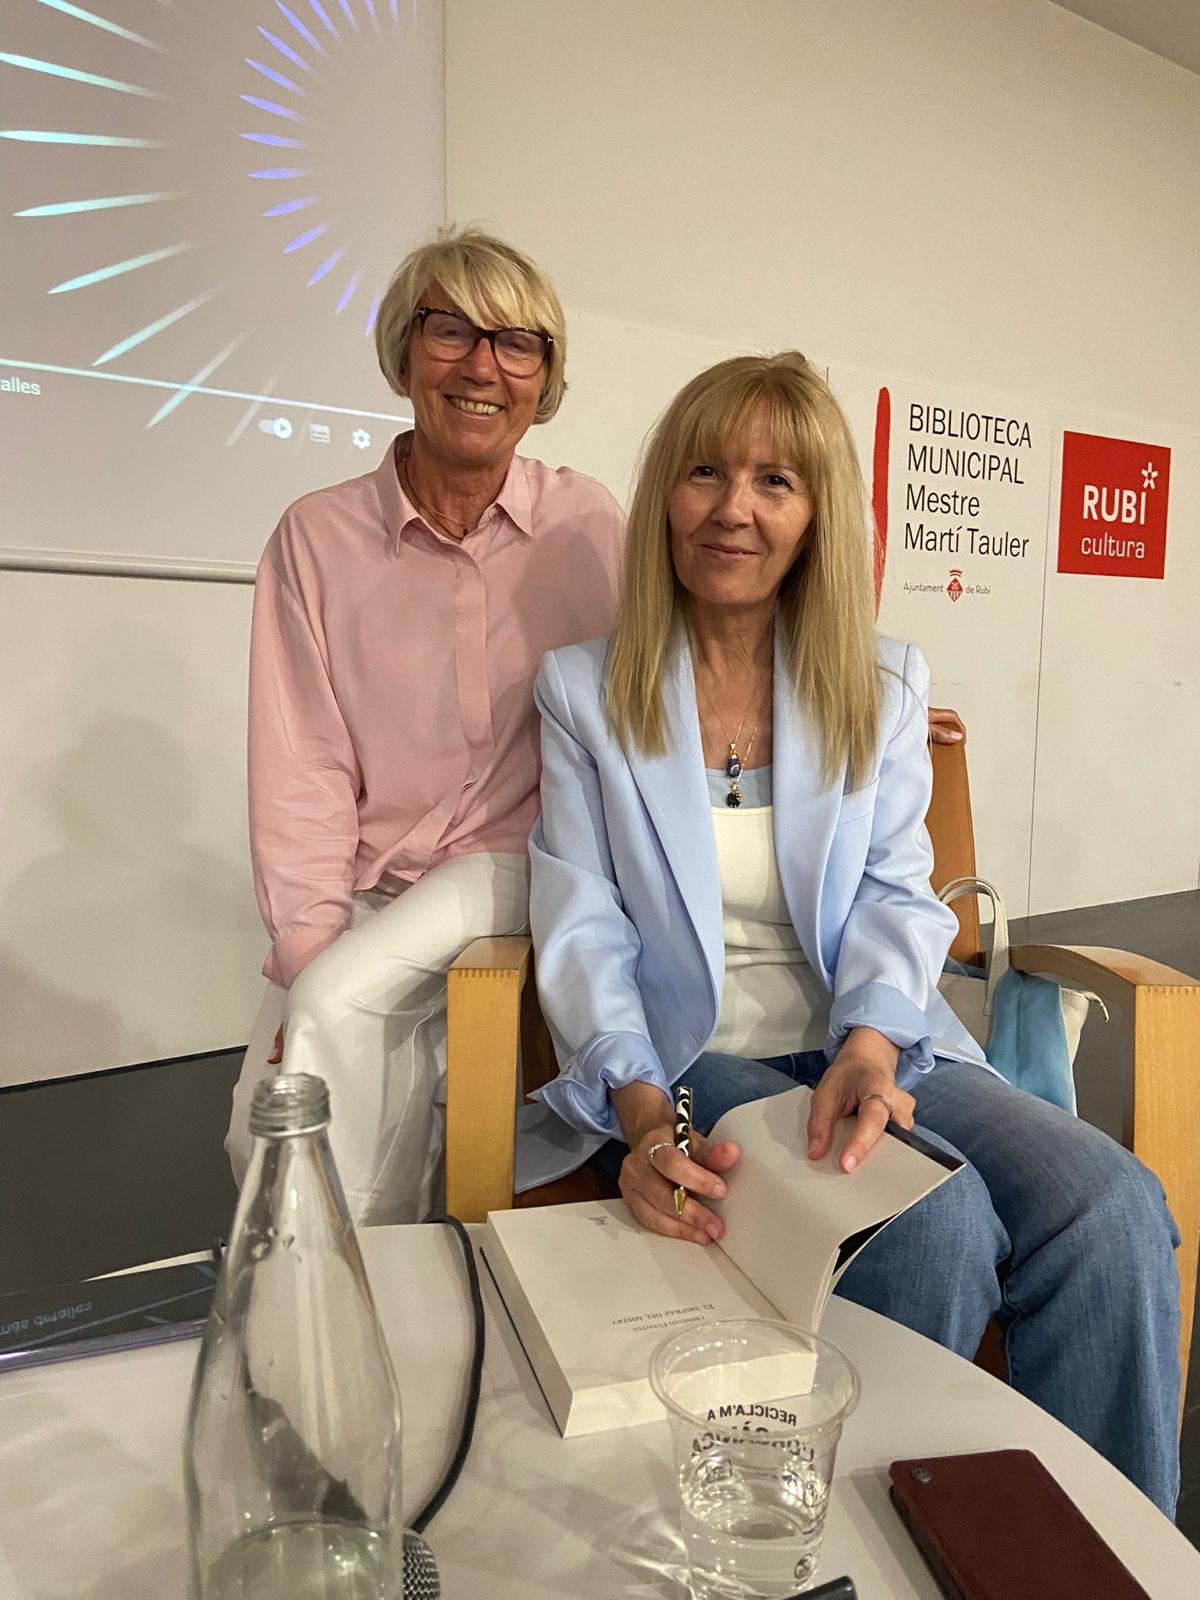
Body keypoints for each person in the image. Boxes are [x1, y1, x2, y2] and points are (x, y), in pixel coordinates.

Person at [523, 352, 1181, 1513]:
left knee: (1111, 1204)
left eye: (774, 481)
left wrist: (873, 1045)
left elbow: (896, 894)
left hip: (872, 1040)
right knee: (929, 1225)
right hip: (697, 1056)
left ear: (817, 515)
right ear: (665, 495)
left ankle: (1095, 1552)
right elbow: (582, 924)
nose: (733, 508)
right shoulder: (585, 690)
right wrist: (639, 1108)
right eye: (705, 472)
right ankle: (856, 1543)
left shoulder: (882, 685)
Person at [226, 229, 625, 1222]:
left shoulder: (589, 527)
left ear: (546, 377)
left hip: (523, 865)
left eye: (517, 342)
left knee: (333, 1020)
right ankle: (365, 1288)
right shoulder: (317, 537)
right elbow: (303, 767)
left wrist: (847, 697)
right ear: (405, 352)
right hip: (377, 887)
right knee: (259, 1130)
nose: (483, 366)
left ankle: (341, 1295)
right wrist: (313, 950)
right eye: (451, 331)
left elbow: (681, 677)